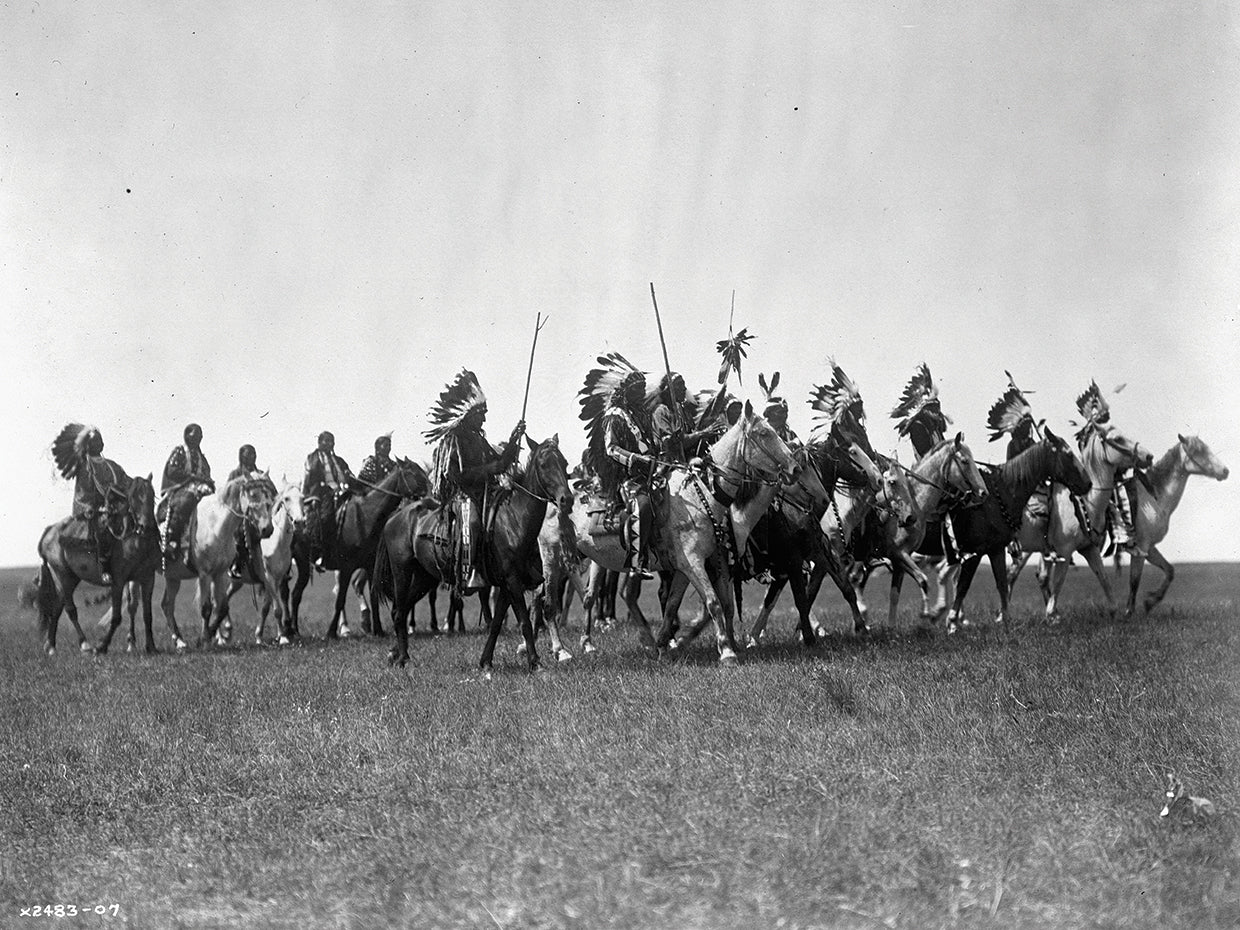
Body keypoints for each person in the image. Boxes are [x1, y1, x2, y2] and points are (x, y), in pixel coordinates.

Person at [425, 370, 524, 590]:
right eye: (481, 414)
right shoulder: (454, 440)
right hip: (463, 496)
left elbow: (499, 463)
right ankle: (470, 572)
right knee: (473, 523)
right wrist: (489, 469)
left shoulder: (479, 438)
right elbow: (457, 475)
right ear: (468, 416)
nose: (485, 418)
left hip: (487, 492)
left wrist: (514, 439)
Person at [579, 356, 658, 577]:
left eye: (643, 389)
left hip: (649, 473)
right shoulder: (614, 417)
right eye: (637, 390)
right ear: (625, 392)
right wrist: (636, 459)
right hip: (625, 477)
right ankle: (636, 562)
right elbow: (611, 449)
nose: (642, 393)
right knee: (641, 506)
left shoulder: (641, 416)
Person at [51, 423, 130, 584]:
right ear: (88, 446)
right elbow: (83, 492)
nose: (98, 444)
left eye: (100, 441)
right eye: (95, 442)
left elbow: (125, 482)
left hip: (114, 508)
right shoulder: (85, 467)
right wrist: (91, 507)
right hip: (95, 511)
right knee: (103, 528)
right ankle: (105, 567)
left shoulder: (112, 466)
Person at [159, 423, 214, 567]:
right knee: (188, 499)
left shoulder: (201, 457)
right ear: (187, 435)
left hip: (200, 489)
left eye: (200, 436)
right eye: (195, 435)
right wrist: (192, 477)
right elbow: (171, 471)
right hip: (180, 489)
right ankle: (173, 539)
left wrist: (207, 481)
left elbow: (207, 472)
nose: (198, 438)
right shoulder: (180, 452)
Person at [302, 431, 355, 569]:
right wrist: (314, 497)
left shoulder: (339, 460)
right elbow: (310, 480)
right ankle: (321, 553)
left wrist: (349, 476)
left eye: (331, 441)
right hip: (323, 494)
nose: (329, 444)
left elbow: (348, 473)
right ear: (319, 443)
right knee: (326, 519)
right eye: (326, 441)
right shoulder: (312, 459)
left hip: (343, 492)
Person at [650, 372, 716, 463]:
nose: (684, 389)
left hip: (687, 458)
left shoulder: (680, 408)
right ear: (669, 390)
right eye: (679, 385)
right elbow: (671, 444)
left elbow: (690, 433)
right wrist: (701, 434)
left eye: (683, 385)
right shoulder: (660, 411)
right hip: (670, 464)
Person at [227, 444, 262, 578]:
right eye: (249, 455)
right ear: (242, 457)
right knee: (240, 535)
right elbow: (228, 495)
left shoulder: (260, 474)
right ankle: (236, 565)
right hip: (240, 515)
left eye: (254, 454)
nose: (252, 457)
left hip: (259, 514)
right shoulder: (235, 474)